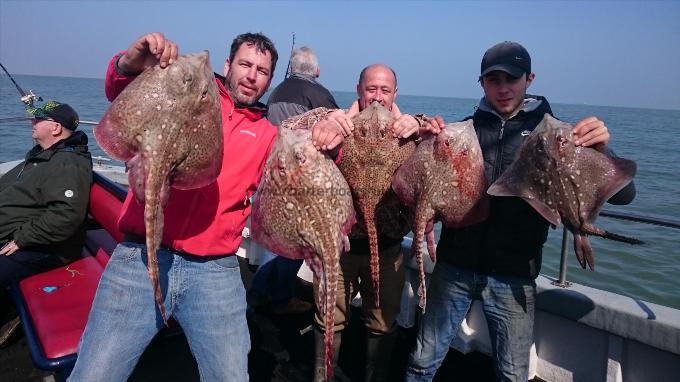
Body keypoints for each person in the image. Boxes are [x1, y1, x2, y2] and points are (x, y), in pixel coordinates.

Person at [67, 32, 344, 382]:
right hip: (137, 258)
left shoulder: (268, 136)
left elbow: (303, 173)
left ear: (270, 80)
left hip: (215, 271)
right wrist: (127, 63)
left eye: (261, 70)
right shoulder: (180, 91)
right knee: (94, 374)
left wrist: (331, 142)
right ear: (228, 66)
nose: (251, 75)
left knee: (230, 376)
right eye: (245, 64)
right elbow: (121, 90)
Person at [405, 41, 636, 382]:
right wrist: (421, 141)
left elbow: (625, 196)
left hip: (514, 272)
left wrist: (603, 148)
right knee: (422, 359)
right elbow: (427, 183)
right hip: (455, 264)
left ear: (529, 79)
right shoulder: (463, 131)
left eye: (511, 79)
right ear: (481, 83)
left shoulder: (558, 134)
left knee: (512, 373)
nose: (503, 88)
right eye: (493, 79)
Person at [310, 64, 440, 382]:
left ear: (395, 94)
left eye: (385, 90)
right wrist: (324, 126)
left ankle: (375, 377)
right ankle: (321, 375)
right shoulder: (337, 122)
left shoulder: (409, 133)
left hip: (387, 249)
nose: (378, 98)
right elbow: (298, 132)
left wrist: (423, 124)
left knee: (382, 323)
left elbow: (440, 143)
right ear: (359, 90)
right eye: (371, 89)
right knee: (328, 318)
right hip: (337, 248)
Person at [247, 46, 339, 315]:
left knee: (273, 242)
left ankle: (258, 295)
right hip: (300, 182)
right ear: (317, 71)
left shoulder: (275, 92)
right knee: (293, 243)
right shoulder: (320, 95)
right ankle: (279, 298)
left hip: (272, 175)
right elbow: (338, 131)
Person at [0, 101, 92, 346]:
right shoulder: (41, 157)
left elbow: (66, 216)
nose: (32, 122)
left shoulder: (68, 163)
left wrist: (21, 239)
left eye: (37, 119)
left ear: (55, 128)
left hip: (48, 249)